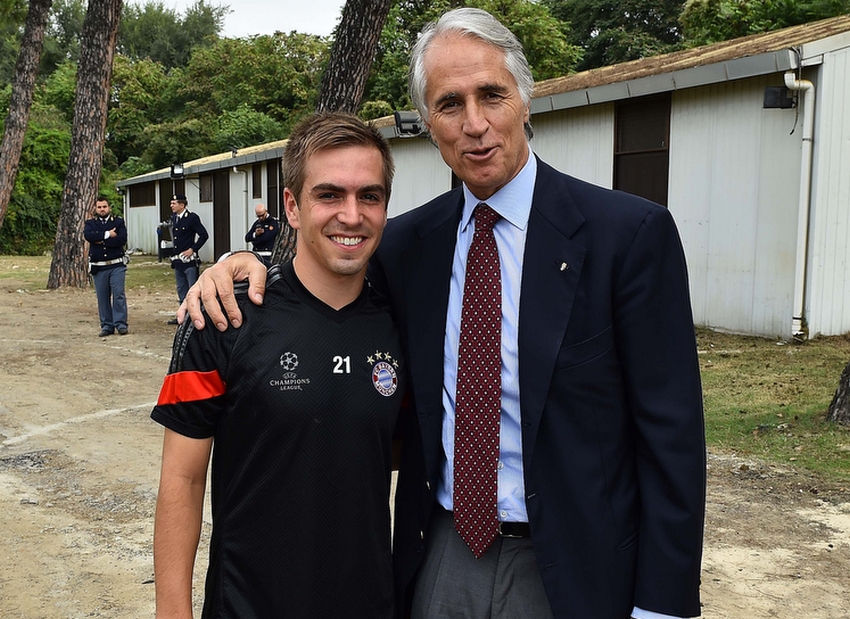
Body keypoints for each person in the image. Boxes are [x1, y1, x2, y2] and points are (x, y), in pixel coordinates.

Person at [183, 8, 706, 619]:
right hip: (441, 552)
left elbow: (671, 437)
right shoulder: (405, 247)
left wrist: (662, 605)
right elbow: (323, 268)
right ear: (429, 124)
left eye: (492, 95)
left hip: (573, 565)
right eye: (450, 104)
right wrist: (240, 262)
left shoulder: (628, 237)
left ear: (526, 101)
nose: (475, 124)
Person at [151, 112, 405, 618]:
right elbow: (182, 481)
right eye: (329, 195)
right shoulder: (222, 317)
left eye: (369, 196)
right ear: (292, 205)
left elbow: (390, 449)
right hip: (248, 604)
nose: (351, 215)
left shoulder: (405, 322)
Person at [84, 196, 128, 337]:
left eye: (104, 207)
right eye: (99, 207)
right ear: (96, 209)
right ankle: (107, 326)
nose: (102, 209)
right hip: (99, 266)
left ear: (109, 207)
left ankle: (121, 324)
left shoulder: (118, 222)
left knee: (118, 294)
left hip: (116, 265)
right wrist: (109, 234)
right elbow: (89, 236)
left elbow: (121, 239)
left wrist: (101, 240)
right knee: (102, 297)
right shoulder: (91, 223)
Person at [166, 194, 208, 324]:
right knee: (181, 289)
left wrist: (193, 249)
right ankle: (182, 315)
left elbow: (204, 235)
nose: (171, 206)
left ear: (182, 205)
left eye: (174, 203)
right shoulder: (174, 218)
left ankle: (194, 315)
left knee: (192, 289)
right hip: (178, 260)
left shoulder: (192, 218)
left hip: (189, 261)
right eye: (171, 203)